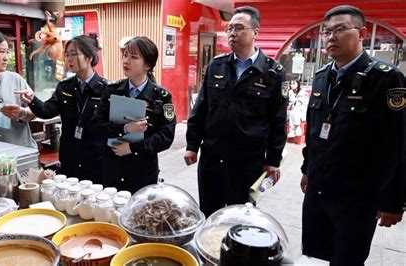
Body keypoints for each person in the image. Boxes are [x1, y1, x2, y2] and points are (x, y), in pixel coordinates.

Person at [300, 5, 405, 265]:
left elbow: (399, 144)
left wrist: (393, 201)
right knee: (316, 255)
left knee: (347, 259)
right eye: (326, 32)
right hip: (320, 191)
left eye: (340, 29)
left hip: (357, 198)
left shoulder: (387, 79)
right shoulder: (323, 76)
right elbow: (314, 128)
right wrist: (306, 168)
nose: (330, 37)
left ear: (362, 33)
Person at [184, 6, 287, 216]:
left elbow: (278, 119)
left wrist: (273, 160)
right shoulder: (217, 65)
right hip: (213, 157)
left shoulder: (272, 72)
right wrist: (192, 145)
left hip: (247, 161)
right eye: (230, 28)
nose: (232, 33)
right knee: (209, 213)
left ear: (255, 32)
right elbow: (201, 108)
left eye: (239, 28)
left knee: (240, 216)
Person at [18, 34, 106, 182]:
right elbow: (47, 111)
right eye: (67, 54)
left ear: (89, 57)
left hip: (96, 159)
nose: (69, 59)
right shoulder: (65, 86)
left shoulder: (106, 90)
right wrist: (32, 100)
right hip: (69, 156)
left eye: (74, 54)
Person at [92, 36, 176, 193]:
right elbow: (96, 125)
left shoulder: (162, 96)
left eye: (133, 57)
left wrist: (133, 148)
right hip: (112, 167)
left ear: (148, 65)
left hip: (143, 170)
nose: (126, 60)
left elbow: (166, 136)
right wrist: (125, 129)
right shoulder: (111, 91)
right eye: (125, 55)